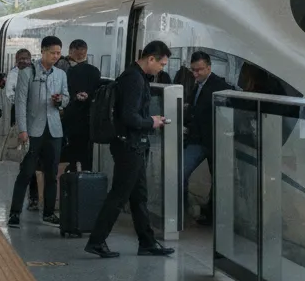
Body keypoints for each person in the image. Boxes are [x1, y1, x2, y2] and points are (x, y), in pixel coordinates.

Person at [85, 40, 176, 259]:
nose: (162, 69)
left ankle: (147, 242)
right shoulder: (134, 79)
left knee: (139, 196)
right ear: (151, 59)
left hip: (131, 144)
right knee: (119, 195)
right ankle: (96, 241)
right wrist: (151, 122)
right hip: (129, 145)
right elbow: (130, 116)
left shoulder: (134, 76)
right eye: (161, 64)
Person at [8, 35, 68, 227]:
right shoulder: (28, 73)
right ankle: (15, 213)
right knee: (26, 173)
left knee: (51, 174)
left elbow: (66, 97)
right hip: (32, 131)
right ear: (42, 51)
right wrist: (22, 130)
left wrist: (61, 101)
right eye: (52, 53)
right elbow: (20, 103)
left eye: (58, 53)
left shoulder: (61, 75)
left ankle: (49, 213)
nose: (56, 56)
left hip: (54, 131)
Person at [183, 51, 230, 225]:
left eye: (199, 70)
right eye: (193, 70)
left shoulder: (219, 86)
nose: (195, 74)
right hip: (198, 139)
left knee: (216, 180)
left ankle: (210, 217)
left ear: (209, 67)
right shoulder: (198, 84)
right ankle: (184, 212)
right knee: (182, 172)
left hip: (211, 140)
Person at [4, 48, 39, 209]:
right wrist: (22, 101)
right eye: (21, 59)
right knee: (26, 161)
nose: (24, 61)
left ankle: (35, 196)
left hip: (36, 122)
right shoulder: (13, 74)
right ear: (15, 60)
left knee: (34, 161)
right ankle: (31, 197)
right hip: (22, 122)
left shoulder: (35, 72)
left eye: (27, 58)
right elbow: (10, 94)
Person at [61, 39, 101, 172]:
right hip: (89, 120)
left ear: (70, 51)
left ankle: (70, 180)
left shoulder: (67, 70)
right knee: (86, 156)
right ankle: (85, 180)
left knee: (69, 155)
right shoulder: (95, 71)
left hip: (70, 120)